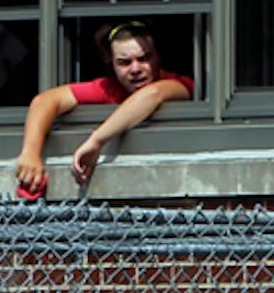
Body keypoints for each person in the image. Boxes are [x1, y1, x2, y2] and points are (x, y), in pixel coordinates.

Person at [14, 20, 193, 195]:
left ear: (158, 57)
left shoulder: (180, 84)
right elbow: (45, 100)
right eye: (124, 62)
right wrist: (31, 153)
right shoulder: (109, 88)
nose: (135, 68)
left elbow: (152, 95)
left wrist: (96, 141)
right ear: (111, 63)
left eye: (144, 58)